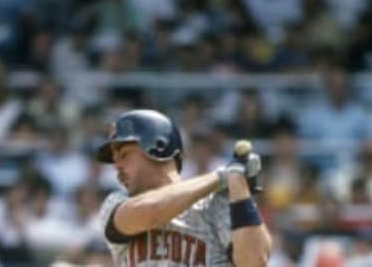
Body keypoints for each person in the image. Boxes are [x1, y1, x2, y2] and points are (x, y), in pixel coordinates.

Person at [96, 109, 272, 266]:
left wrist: (237, 180)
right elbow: (152, 212)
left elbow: (255, 261)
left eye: (124, 154)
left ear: (159, 147)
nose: (116, 165)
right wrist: (220, 176)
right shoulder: (116, 202)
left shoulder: (214, 202)